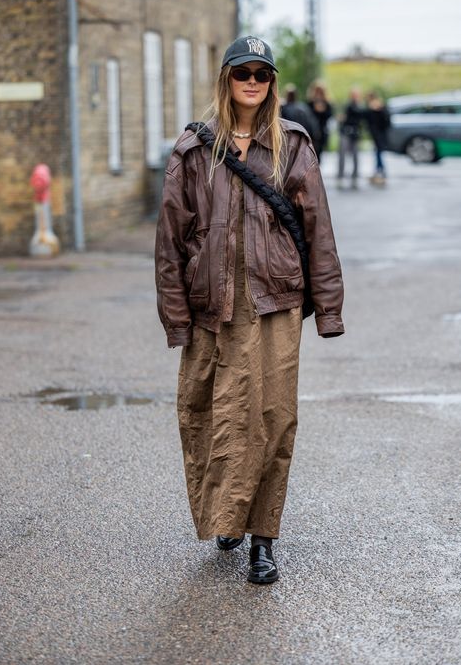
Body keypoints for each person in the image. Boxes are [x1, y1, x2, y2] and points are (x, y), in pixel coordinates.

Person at [155, 35, 344, 585]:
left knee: (271, 419)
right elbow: (171, 241)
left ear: (272, 84)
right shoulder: (193, 150)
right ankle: (226, 517)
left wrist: (328, 309)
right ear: (227, 80)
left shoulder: (293, 145)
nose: (253, 82)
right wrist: (176, 317)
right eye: (244, 73)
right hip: (211, 306)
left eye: (263, 74)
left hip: (275, 305)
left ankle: (263, 538)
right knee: (209, 415)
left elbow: (319, 230)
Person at [280, 83, 320, 150]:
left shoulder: (284, 108)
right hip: (302, 140)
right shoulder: (304, 108)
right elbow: (312, 125)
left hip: (290, 141)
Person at [337, 88, 363, 189]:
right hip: (346, 133)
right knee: (342, 156)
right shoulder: (347, 106)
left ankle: (355, 178)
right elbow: (342, 118)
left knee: (356, 156)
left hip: (355, 135)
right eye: (353, 95)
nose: (355, 97)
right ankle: (340, 177)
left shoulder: (360, 107)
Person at [363, 91, 391, 186]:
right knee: (377, 154)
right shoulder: (371, 109)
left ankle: (381, 173)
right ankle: (378, 173)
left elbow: (386, 122)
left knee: (379, 155)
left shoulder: (381, 108)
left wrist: (379, 109)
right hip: (376, 136)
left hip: (380, 136)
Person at [306, 80, 334, 162]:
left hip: (322, 130)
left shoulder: (327, 103)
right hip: (312, 130)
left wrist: (323, 110)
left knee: (319, 153)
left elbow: (330, 115)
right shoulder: (310, 103)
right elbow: (307, 114)